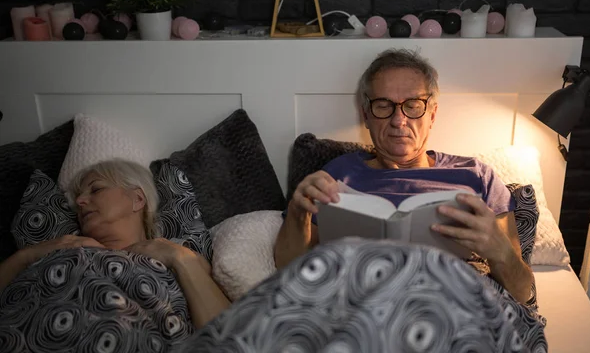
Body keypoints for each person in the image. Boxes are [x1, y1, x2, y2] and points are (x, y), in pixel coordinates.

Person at [274, 48, 534, 305]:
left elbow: (522, 293)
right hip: (362, 306)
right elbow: (287, 269)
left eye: (412, 106)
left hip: (452, 305)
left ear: (432, 115)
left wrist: (500, 251)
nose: (399, 120)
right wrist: (298, 212)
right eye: (383, 106)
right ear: (366, 115)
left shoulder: (477, 176)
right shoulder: (337, 175)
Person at [0, 159, 230, 328]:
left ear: (137, 199)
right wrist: (28, 256)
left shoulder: (182, 256)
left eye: (96, 189)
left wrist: (180, 259)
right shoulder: (56, 249)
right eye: (79, 197)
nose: (80, 201)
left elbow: (229, 338)